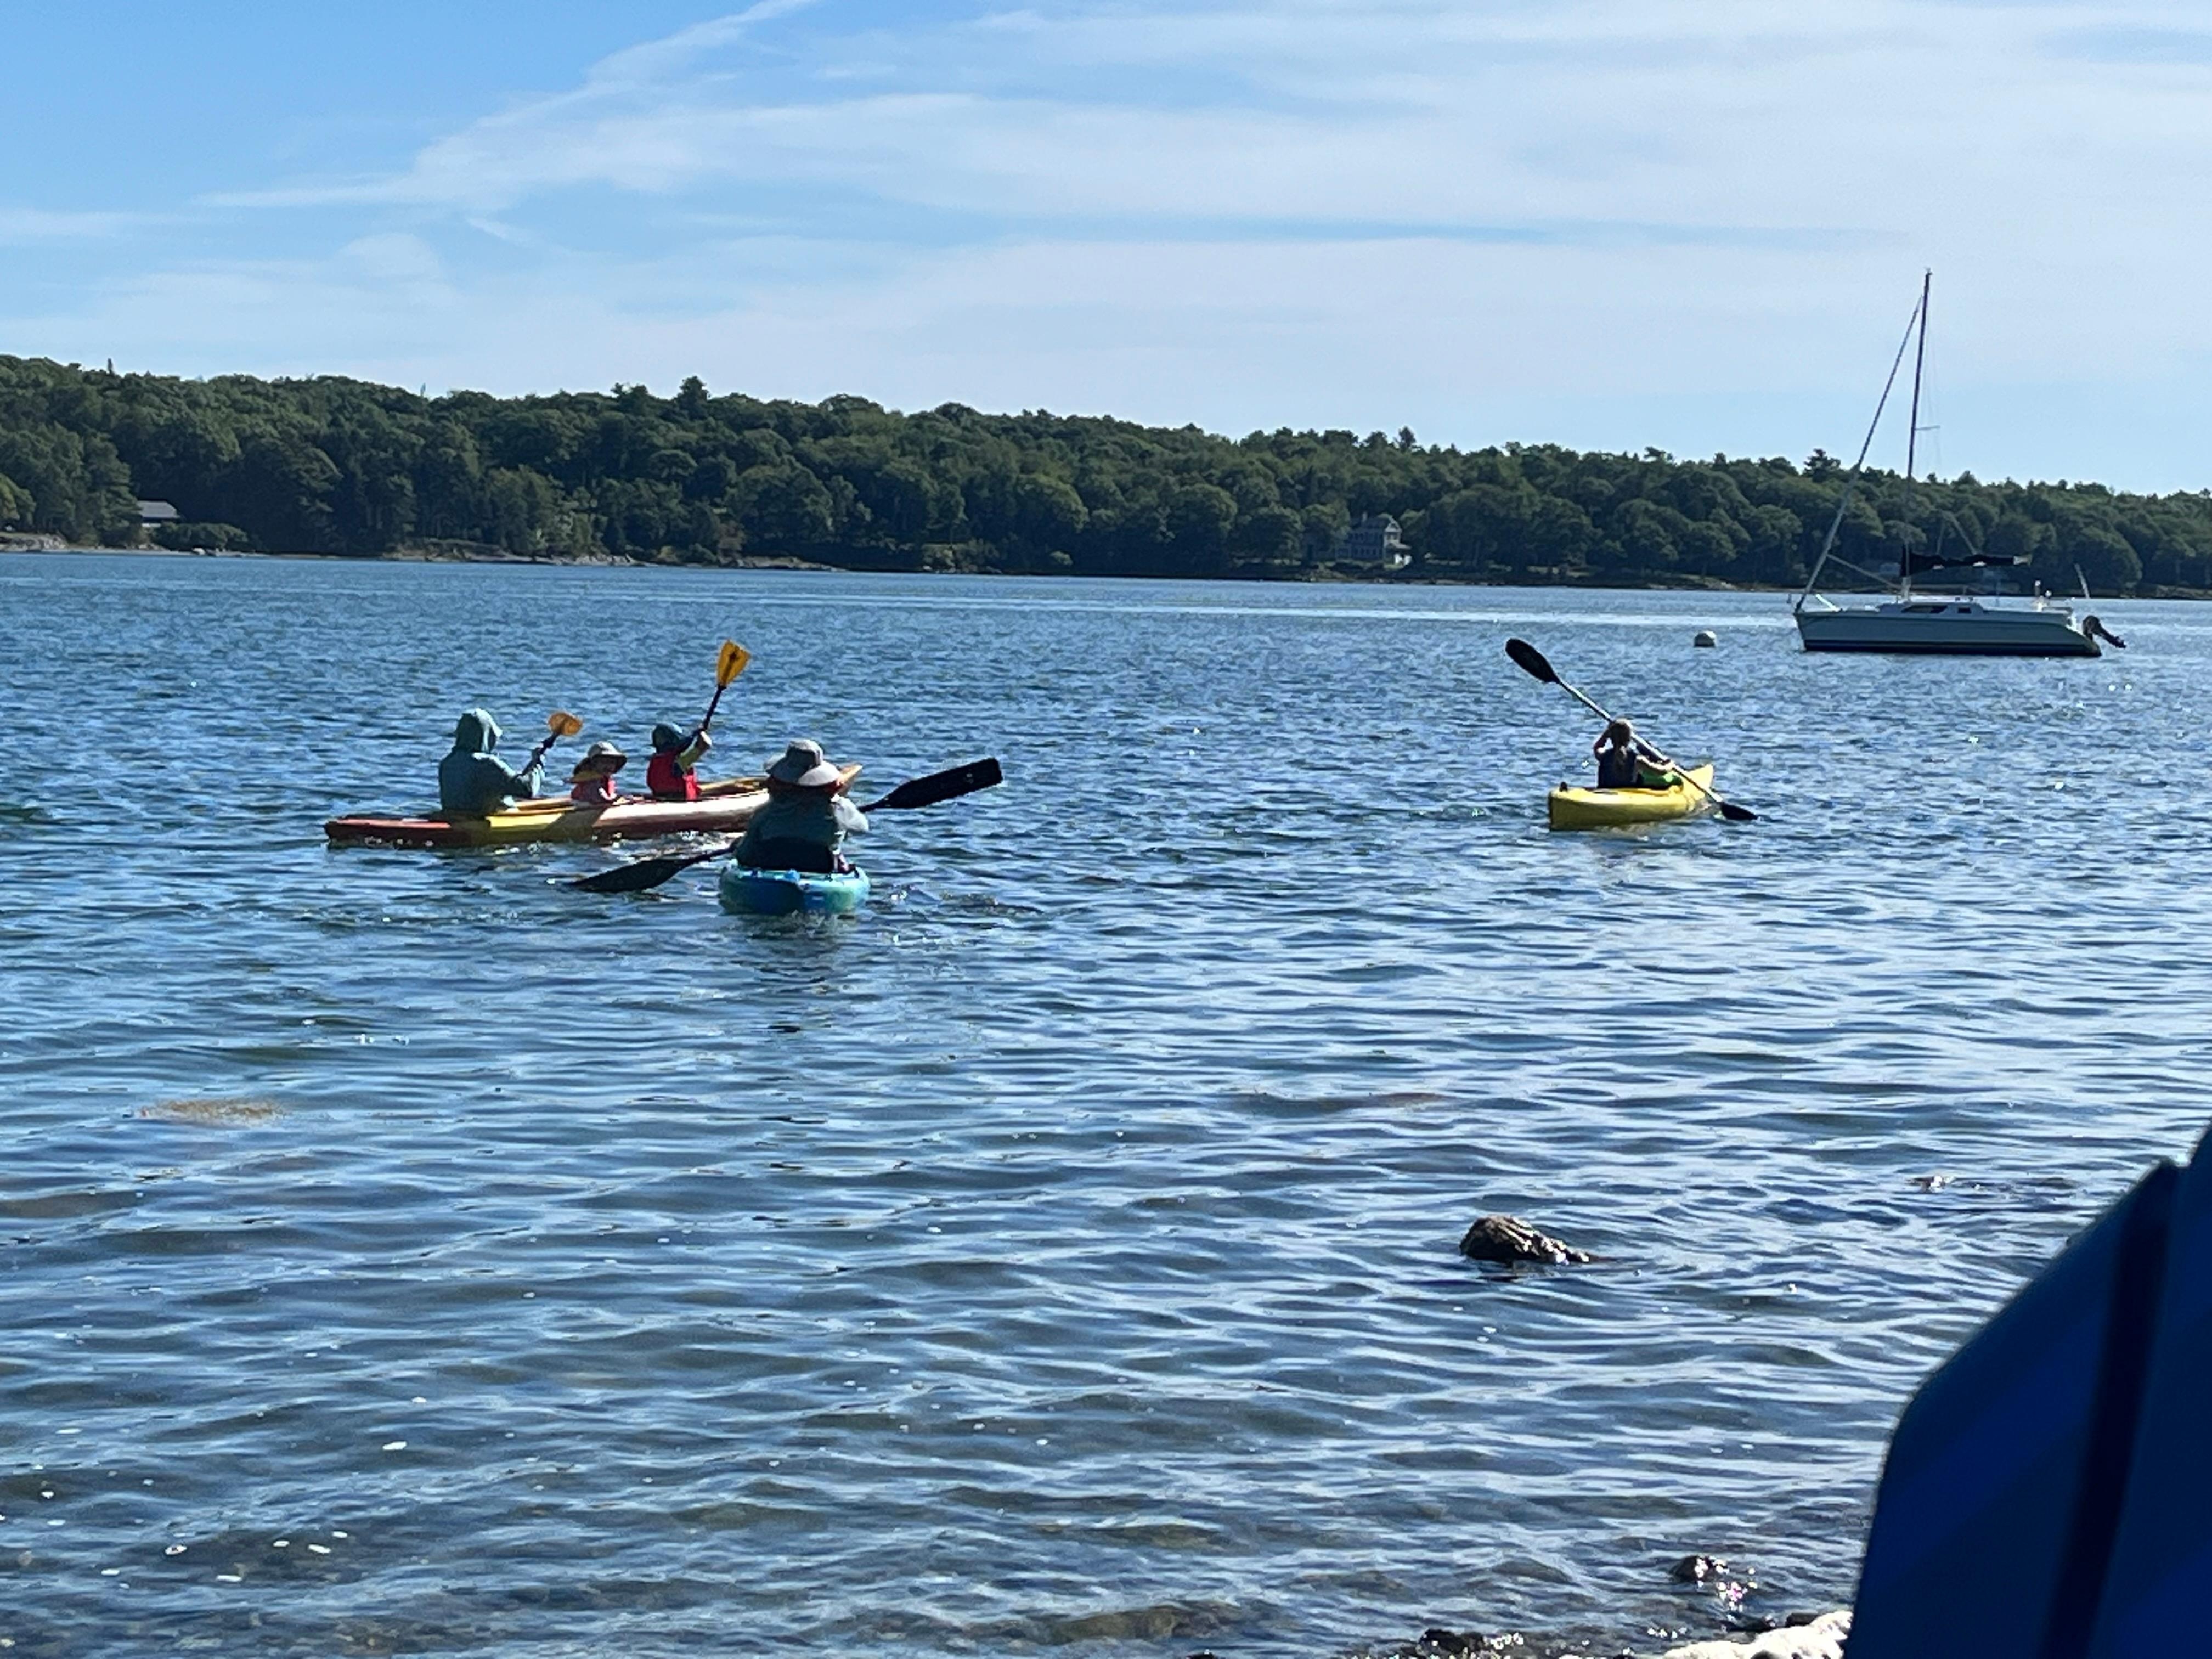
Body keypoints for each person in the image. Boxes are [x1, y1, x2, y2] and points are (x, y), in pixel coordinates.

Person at [732, 740, 866, 873]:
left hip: (770, 866)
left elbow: (744, 853)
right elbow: (862, 828)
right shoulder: (839, 808)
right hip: (821, 868)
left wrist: (738, 847)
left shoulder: (767, 812)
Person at [438, 708, 545, 816]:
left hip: (453, 817)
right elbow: (528, 789)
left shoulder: (447, 763)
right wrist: (538, 765)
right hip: (483, 823)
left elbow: (514, 785)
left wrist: (532, 765)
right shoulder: (487, 764)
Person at [1592, 718, 1676, 790]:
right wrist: (1671, 764)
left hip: (1605, 793)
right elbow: (1661, 772)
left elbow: (1597, 747)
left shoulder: (1603, 755)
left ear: (1611, 737)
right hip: (1628, 796)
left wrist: (1605, 735)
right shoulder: (1638, 760)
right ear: (1629, 738)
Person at [645, 721, 713, 802]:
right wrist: (702, 732)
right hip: (680, 801)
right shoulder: (681, 760)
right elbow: (706, 744)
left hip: (660, 797)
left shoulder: (655, 760)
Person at [568, 740, 628, 805]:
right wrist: (615, 799)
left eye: (612, 763)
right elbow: (601, 795)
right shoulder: (593, 781)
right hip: (585, 806)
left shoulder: (604, 778)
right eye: (604, 762)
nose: (608, 766)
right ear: (594, 764)